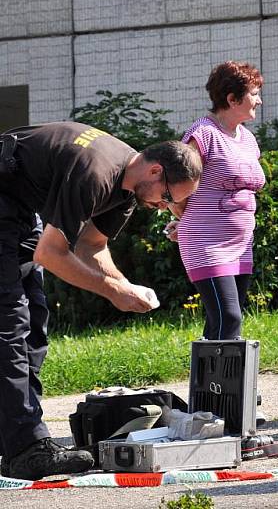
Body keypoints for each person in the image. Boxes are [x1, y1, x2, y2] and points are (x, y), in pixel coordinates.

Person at [0, 122, 201, 480]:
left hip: (18, 209)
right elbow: (52, 254)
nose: (161, 206)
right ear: (155, 170)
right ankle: (25, 449)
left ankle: (16, 439)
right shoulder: (96, 172)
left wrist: (124, 286)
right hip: (4, 202)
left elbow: (92, 247)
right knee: (9, 327)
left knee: (33, 327)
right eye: (168, 197)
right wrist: (112, 291)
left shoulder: (127, 189)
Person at [165, 61, 266, 340]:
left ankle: (208, 384)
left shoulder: (247, 139)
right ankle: (220, 385)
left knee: (220, 323)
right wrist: (184, 221)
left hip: (241, 245)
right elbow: (175, 185)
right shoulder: (203, 134)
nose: (259, 99)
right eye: (254, 93)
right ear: (232, 99)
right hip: (207, 243)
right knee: (228, 319)